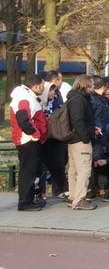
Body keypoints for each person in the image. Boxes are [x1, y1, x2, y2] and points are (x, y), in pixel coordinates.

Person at [10, 74, 48, 211]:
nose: (44, 87)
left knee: (31, 170)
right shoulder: (25, 98)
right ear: (37, 85)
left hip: (29, 139)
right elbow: (23, 119)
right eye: (43, 85)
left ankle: (29, 200)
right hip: (27, 140)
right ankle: (25, 202)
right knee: (28, 171)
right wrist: (35, 134)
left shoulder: (27, 97)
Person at [64, 75, 96, 210]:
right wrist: (86, 137)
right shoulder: (79, 100)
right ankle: (80, 199)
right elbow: (78, 120)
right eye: (92, 85)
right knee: (83, 170)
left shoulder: (72, 97)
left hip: (73, 139)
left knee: (74, 170)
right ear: (86, 85)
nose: (94, 87)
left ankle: (73, 196)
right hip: (80, 140)